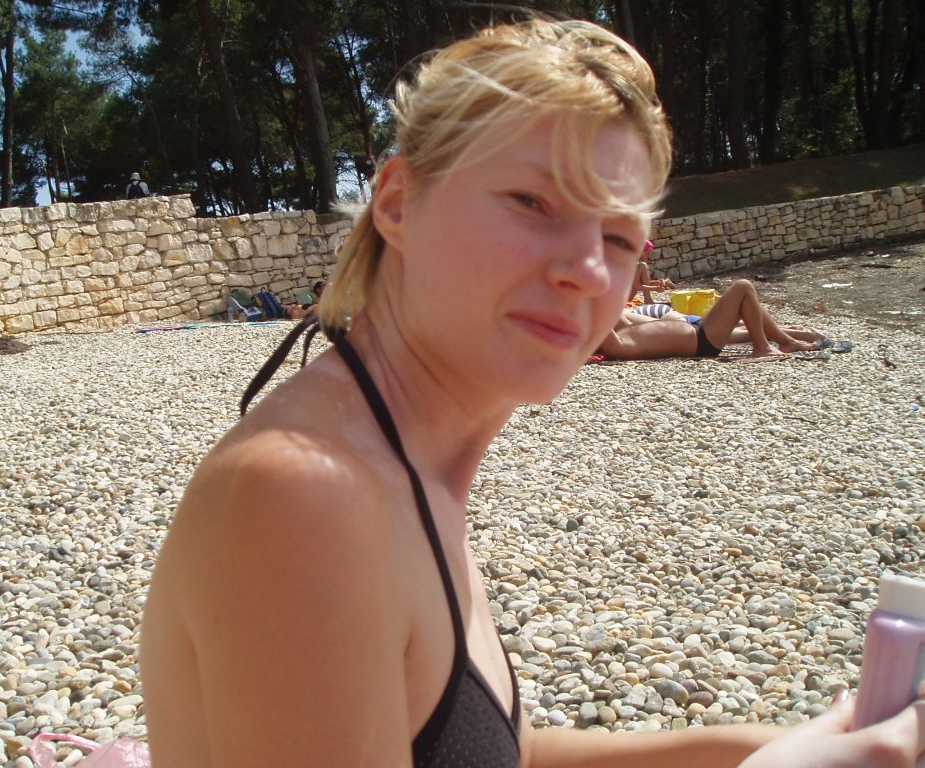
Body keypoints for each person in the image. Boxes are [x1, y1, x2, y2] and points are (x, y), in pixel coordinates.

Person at [140, 19, 925, 768]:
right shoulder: (303, 495)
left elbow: (509, 756)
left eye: (618, 237)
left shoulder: (402, 459)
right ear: (399, 202)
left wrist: (776, 748)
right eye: (533, 202)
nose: (587, 270)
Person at [601, 279, 822, 360]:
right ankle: (764, 346)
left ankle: (786, 340)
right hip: (702, 339)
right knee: (743, 287)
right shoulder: (618, 346)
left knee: (746, 303)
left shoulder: (622, 330)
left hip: (697, 329)